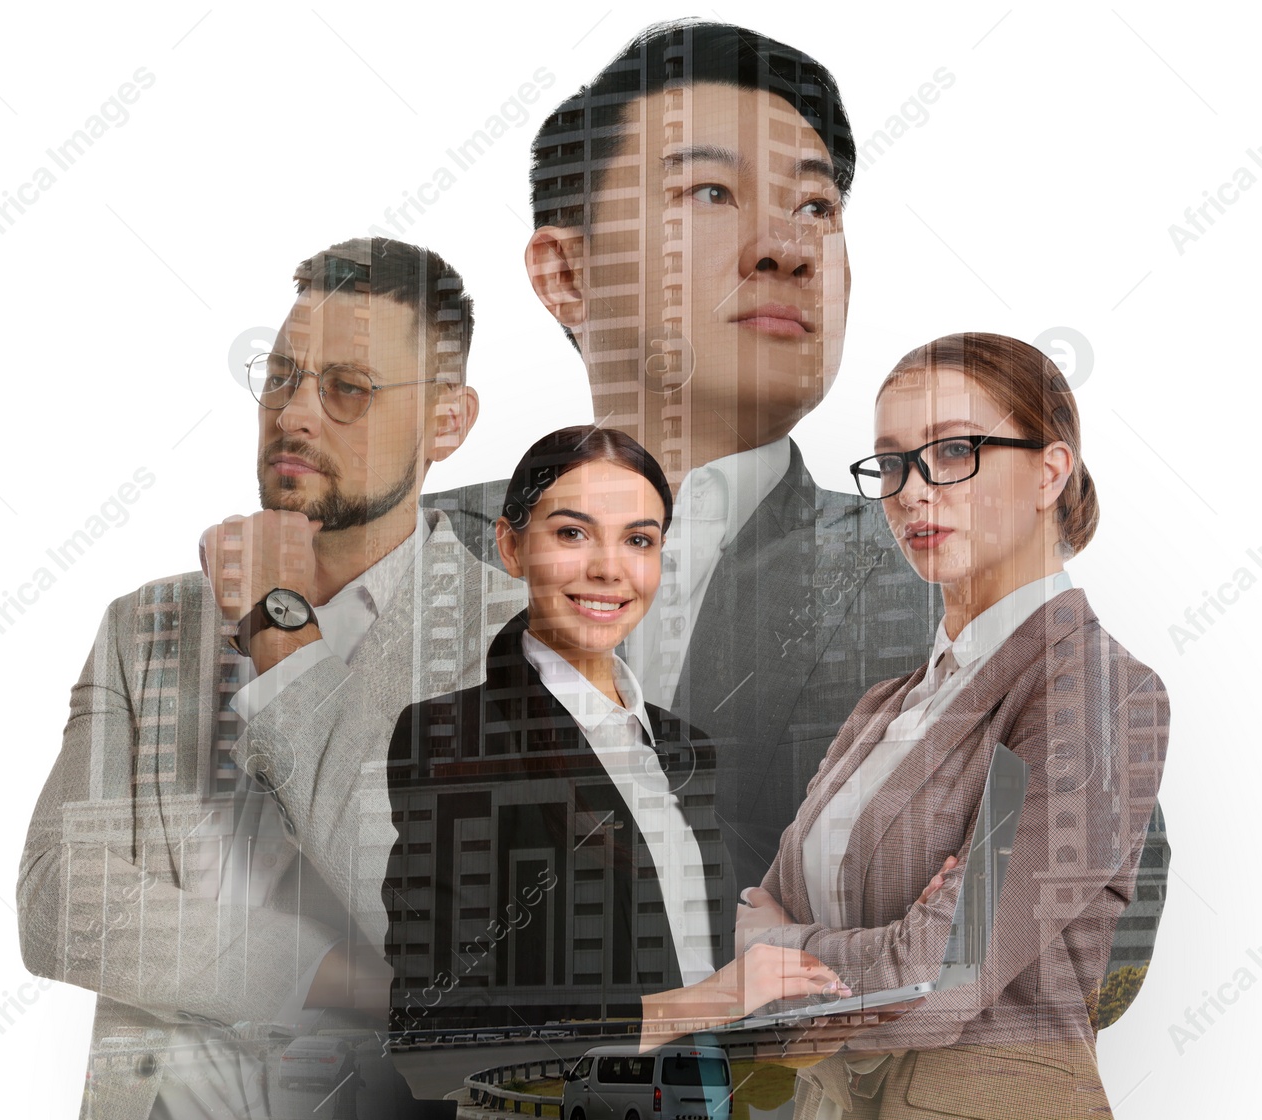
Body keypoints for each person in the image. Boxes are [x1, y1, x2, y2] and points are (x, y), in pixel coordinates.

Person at [423, 16, 1164, 1023]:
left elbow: (1086, 938)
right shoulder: (395, 565)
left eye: (816, 205)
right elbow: (280, 905)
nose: (785, 247)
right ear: (564, 272)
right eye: (709, 192)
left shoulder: (942, 576)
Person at [16, 238, 524, 1120]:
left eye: (347, 389)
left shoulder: (513, 639)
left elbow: (443, 935)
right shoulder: (148, 627)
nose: (295, 414)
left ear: (448, 421)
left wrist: (273, 617)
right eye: (281, 376)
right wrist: (333, 977)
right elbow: (60, 903)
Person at [726, 333, 1171, 1118]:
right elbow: (780, 916)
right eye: (893, 462)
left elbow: (936, 980)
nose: (912, 490)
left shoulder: (1093, 690)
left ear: (1048, 471)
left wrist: (778, 946)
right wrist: (876, 947)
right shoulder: (885, 707)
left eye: (955, 450)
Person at [381, 426, 847, 1085]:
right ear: (512, 547)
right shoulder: (455, 737)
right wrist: (717, 1000)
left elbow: (685, 982)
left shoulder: (682, 748)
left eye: (638, 540)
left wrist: (777, 1029)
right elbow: (439, 1035)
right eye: (572, 533)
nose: (609, 567)